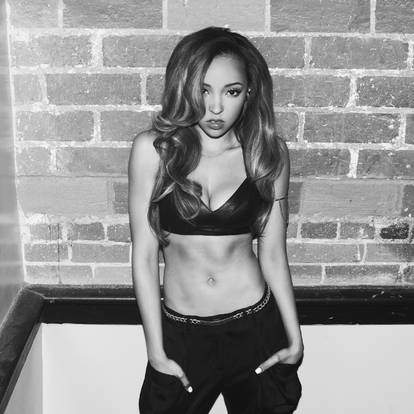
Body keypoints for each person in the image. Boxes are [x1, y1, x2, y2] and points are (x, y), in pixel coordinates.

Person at [128, 26, 304, 414]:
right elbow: (144, 255)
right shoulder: (153, 152)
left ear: (249, 93)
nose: (216, 107)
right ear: (184, 87)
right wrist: (155, 350)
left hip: (256, 329)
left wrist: (295, 338)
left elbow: (274, 254)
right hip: (183, 334)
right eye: (203, 90)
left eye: (232, 91)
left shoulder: (267, 153)